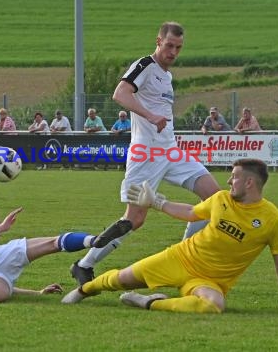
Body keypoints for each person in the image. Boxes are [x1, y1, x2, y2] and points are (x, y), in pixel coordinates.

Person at [70, 21, 221, 286]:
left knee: (215, 198)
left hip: (170, 152)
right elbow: (120, 94)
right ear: (158, 41)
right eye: (169, 45)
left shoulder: (167, 75)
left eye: (178, 47)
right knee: (134, 219)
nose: (173, 52)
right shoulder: (146, 65)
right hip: (146, 155)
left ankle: (183, 259)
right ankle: (84, 264)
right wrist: (150, 116)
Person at [63, 159, 278, 316]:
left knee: (213, 306)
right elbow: (192, 213)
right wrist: (158, 202)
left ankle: (148, 303)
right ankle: (83, 291)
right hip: (180, 258)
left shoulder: (272, 219)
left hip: (210, 281)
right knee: (120, 279)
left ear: (249, 183)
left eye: (234, 177)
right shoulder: (221, 199)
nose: (228, 181)